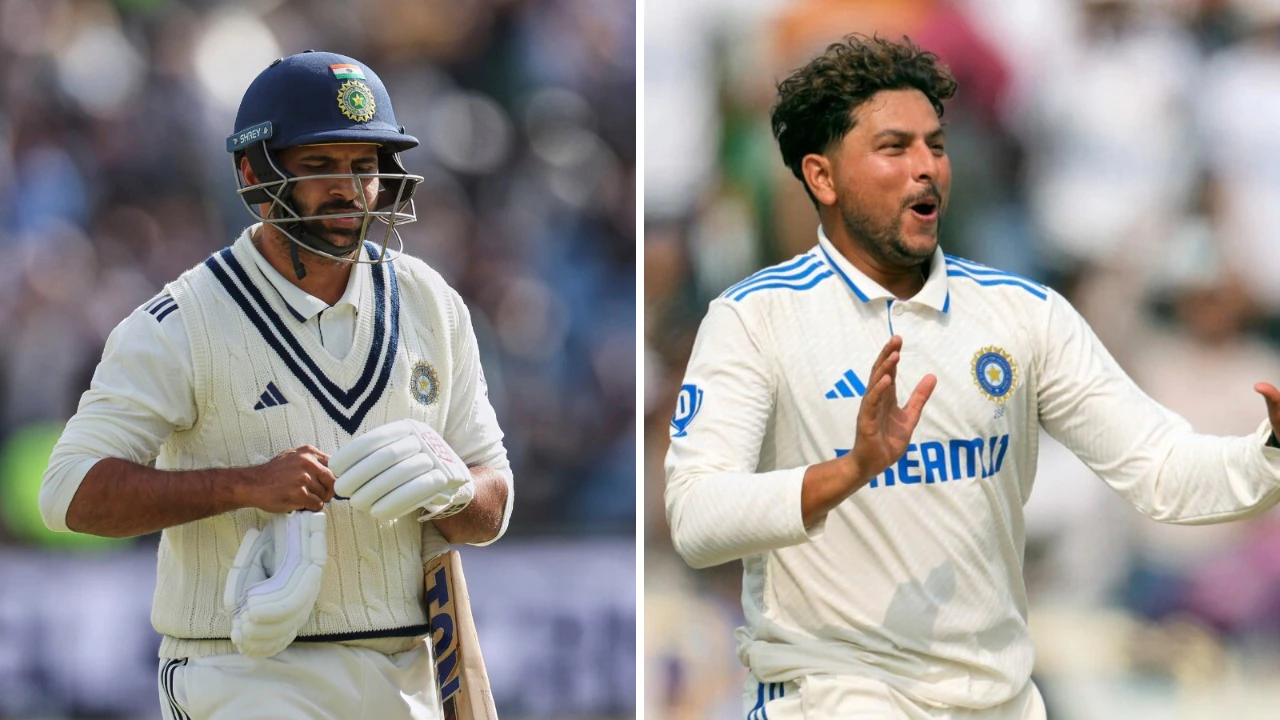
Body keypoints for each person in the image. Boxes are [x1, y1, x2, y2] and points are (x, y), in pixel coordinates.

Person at [663, 34, 1280, 719]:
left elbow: (1163, 470)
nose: (926, 168)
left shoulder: (1022, 314)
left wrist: (1270, 452)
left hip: (996, 701)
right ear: (823, 177)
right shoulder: (755, 319)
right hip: (831, 697)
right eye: (894, 148)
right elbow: (696, 519)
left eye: (936, 144)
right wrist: (850, 470)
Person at [39, 50, 513, 720]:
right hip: (240, 673)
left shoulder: (431, 304)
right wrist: (243, 486)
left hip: (405, 675)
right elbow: (69, 494)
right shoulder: (181, 323)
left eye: (364, 165)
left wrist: (454, 489)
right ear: (253, 174)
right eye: (319, 166)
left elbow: (493, 501)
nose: (348, 189)